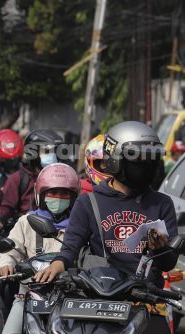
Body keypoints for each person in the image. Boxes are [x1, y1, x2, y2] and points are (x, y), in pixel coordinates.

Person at [35, 121, 177, 332]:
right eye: (137, 157)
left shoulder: (162, 204)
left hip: (146, 302)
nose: (145, 164)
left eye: (150, 158)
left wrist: (161, 248)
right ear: (115, 157)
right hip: (99, 299)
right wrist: (58, 264)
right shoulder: (88, 203)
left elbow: (168, 263)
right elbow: (70, 247)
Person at [0, 163, 79, 334]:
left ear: (73, 197)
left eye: (64, 194)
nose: (58, 198)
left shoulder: (79, 226)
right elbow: (9, 250)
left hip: (70, 299)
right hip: (28, 296)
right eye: (53, 193)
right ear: (41, 194)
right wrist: (6, 264)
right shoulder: (26, 222)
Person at [0, 129, 63, 231]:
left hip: (57, 231)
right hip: (27, 231)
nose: (52, 155)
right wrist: (0, 219)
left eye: (54, 151)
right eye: (47, 151)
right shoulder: (18, 178)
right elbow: (6, 206)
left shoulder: (62, 177)